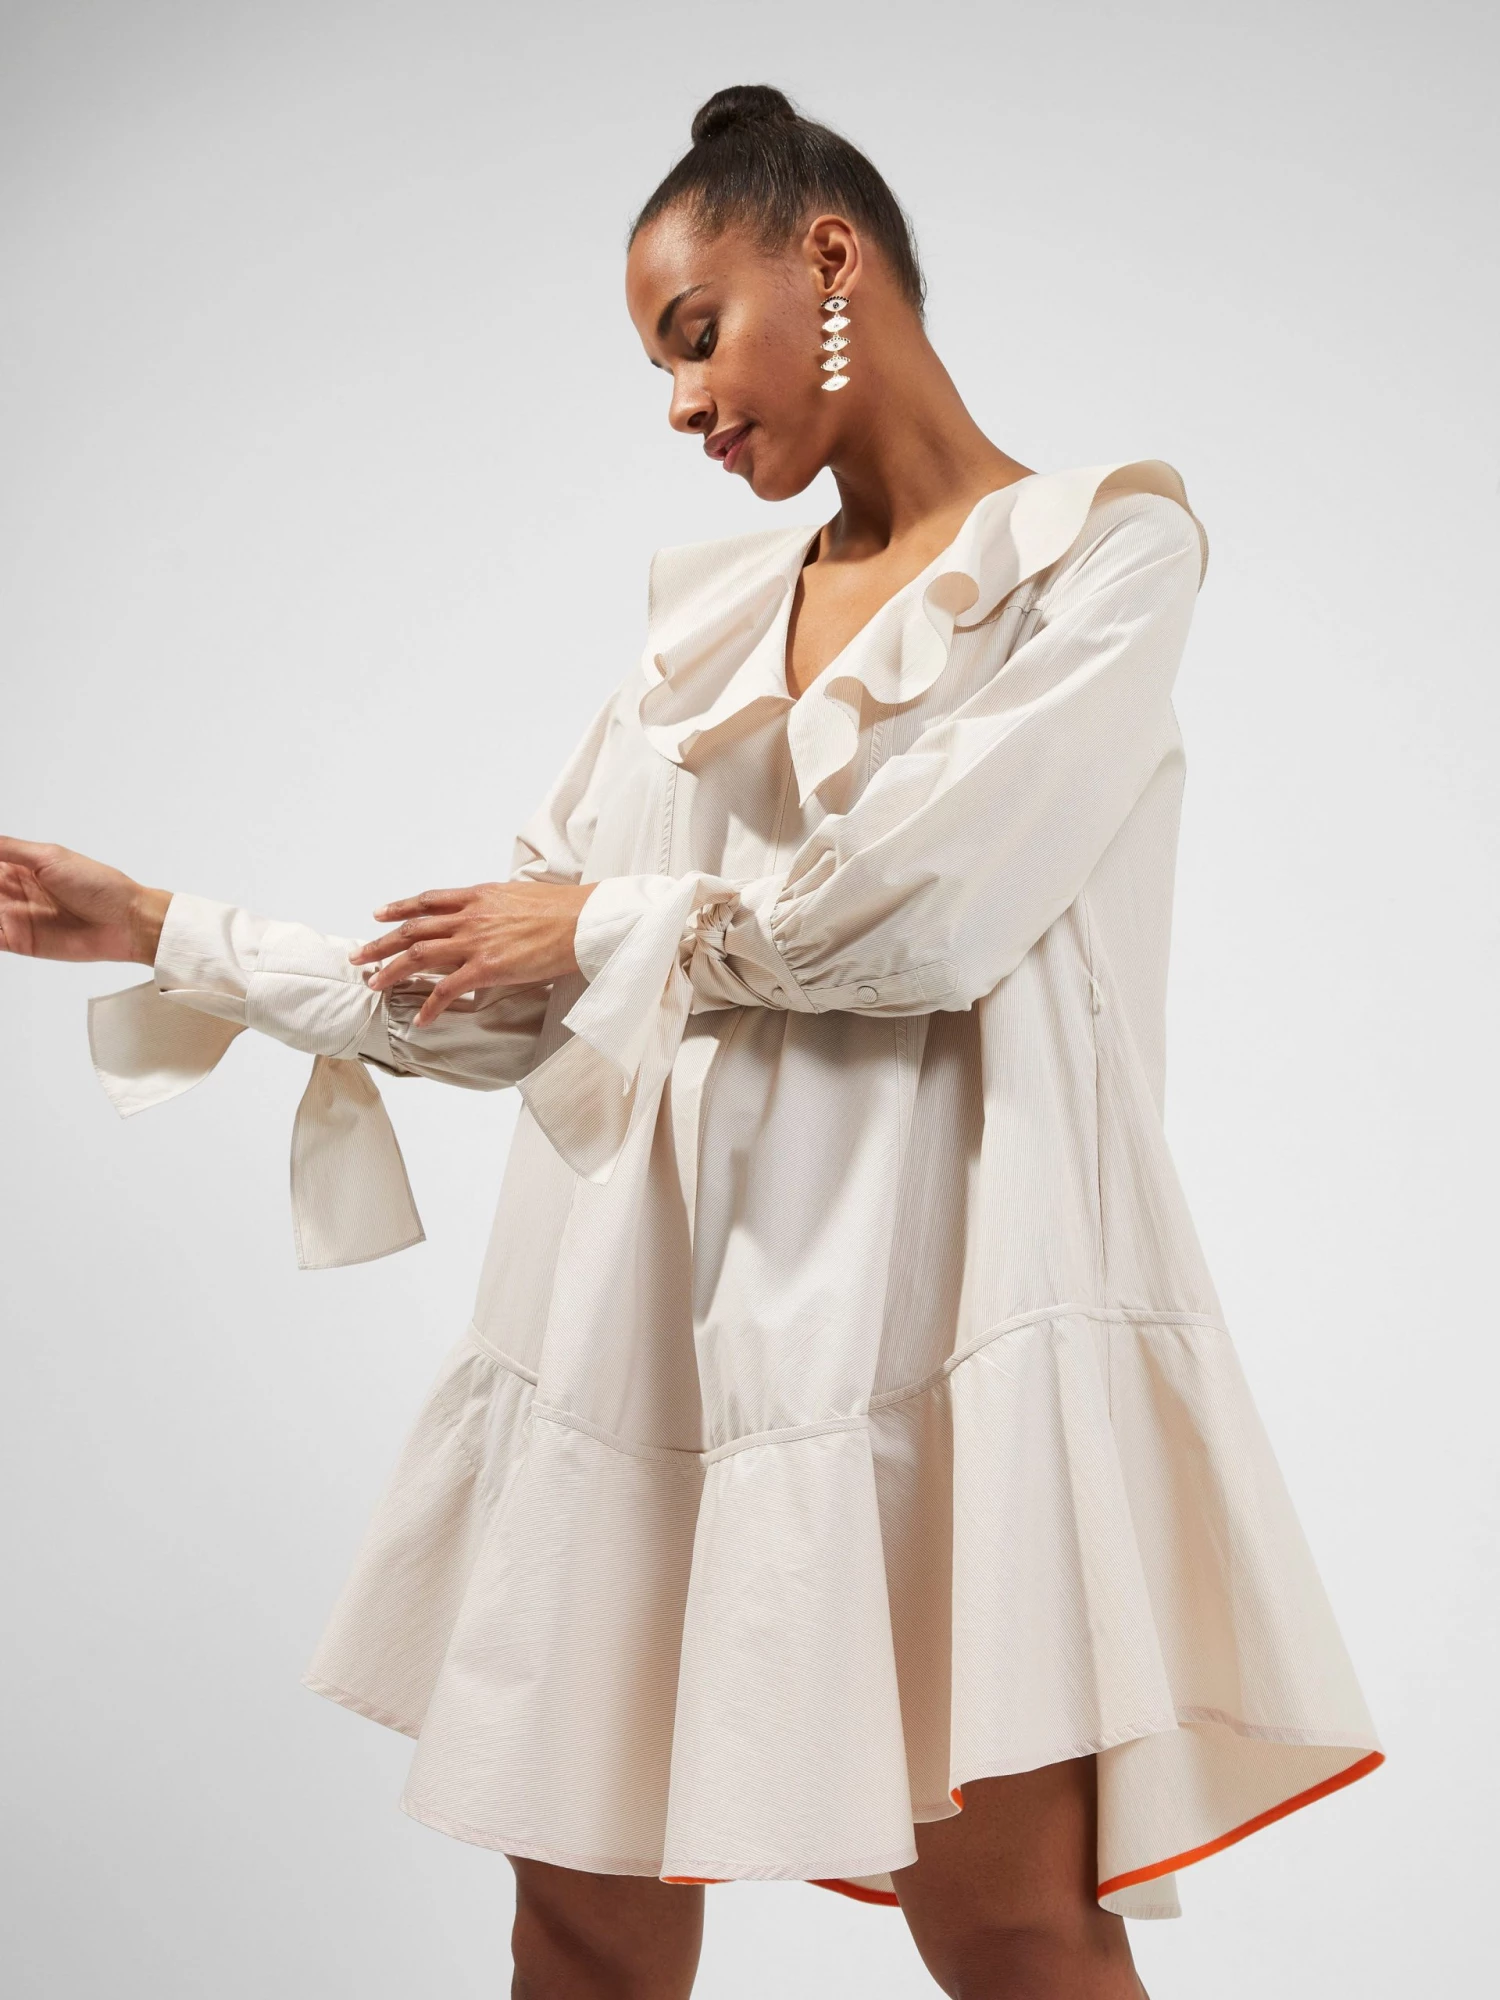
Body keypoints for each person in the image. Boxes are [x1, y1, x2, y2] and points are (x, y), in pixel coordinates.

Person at [0, 82, 1381, 2000]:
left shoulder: (1100, 556)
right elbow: (505, 990)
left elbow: (925, 915)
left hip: (940, 1340)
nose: (678, 404)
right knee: (580, 1931)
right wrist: (169, 931)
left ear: (830, 255)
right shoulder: (698, 647)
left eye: (692, 333)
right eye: (658, 363)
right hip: (637, 1340)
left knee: (1010, 1931)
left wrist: (606, 926)